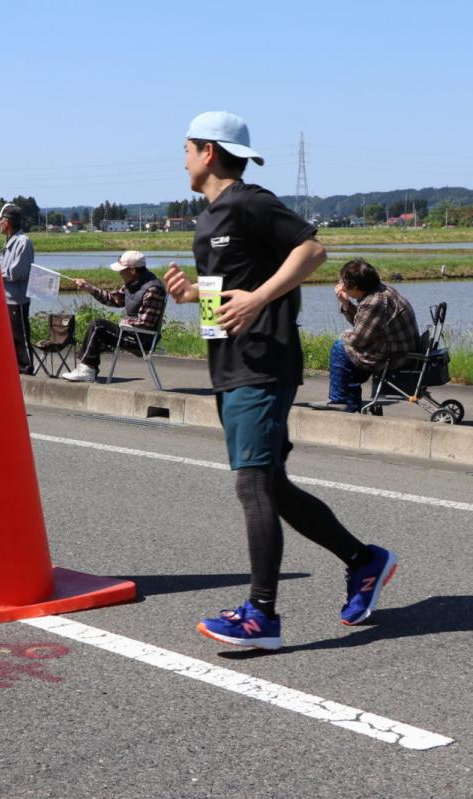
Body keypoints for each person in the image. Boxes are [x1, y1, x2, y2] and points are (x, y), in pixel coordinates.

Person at [162, 112, 397, 650]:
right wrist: (193, 295)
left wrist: (260, 299)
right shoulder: (208, 218)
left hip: (263, 364)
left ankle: (261, 614)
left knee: (251, 484)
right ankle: (365, 561)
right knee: (272, 486)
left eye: (187, 148)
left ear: (209, 152)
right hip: (228, 365)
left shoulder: (250, 200)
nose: (183, 159)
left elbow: (313, 250)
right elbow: (231, 286)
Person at [310, 258, 418, 412]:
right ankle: (350, 405)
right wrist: (346, 304)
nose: (343, 287)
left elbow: (358, 340)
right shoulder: (380, 290)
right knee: (347, 352)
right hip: (397, 349)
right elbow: (365, 325)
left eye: (346, 285)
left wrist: (346, 336)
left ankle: (339, 400)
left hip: (394, 356)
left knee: (340, 348)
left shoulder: (373, 302)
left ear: (356, 286)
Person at [60, 250, 166, 383]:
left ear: (132, 270)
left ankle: (87, 370)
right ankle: (87, 369)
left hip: (142, 340)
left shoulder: (152, 289)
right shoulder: (133, 284)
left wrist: (126, 322)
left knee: (98, 326)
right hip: (132, 333)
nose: (119, 273)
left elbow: (146, 323)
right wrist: (90, 288)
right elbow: (114, 299)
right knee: (98, 327)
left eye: (122, 270)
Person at [0, 203, 34, 374]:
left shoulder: (23, 242)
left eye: (0, 220)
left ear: (7, 222)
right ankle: (16, 368)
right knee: (10, 337)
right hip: (7, 297)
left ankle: (26, 368)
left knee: (21, 336)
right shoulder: (9, 241)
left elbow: (18, 271)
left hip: (17, 298)